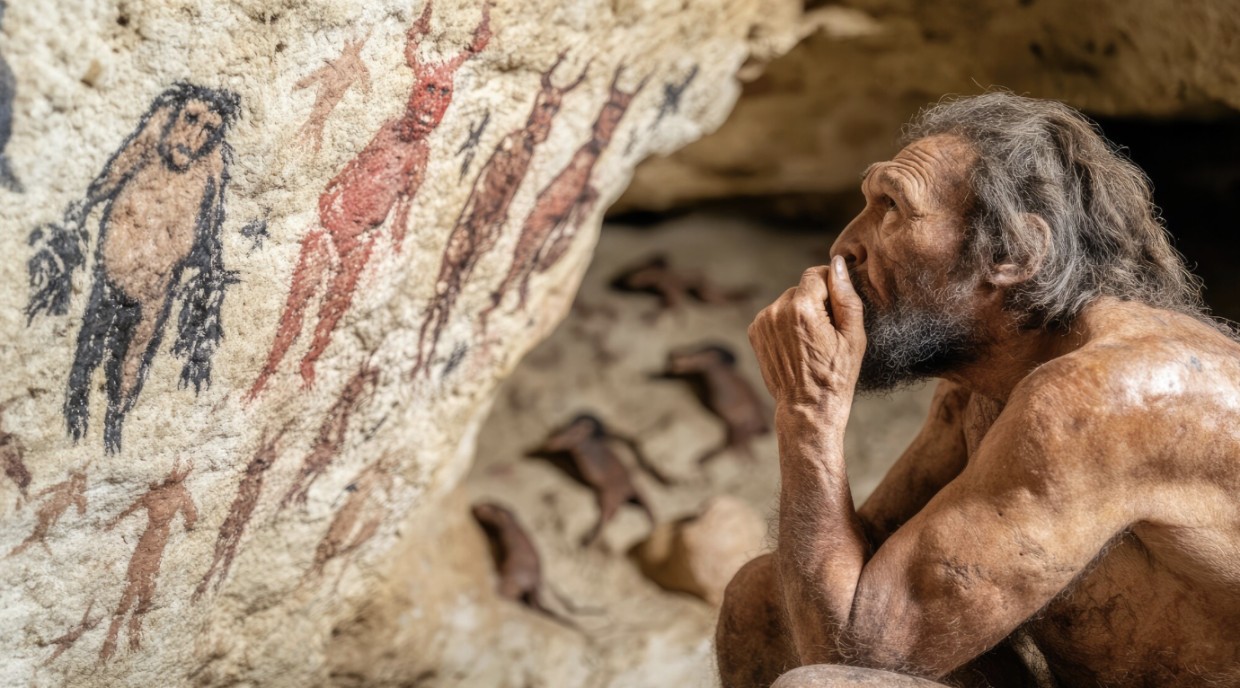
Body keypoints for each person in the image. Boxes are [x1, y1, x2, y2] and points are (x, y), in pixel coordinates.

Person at [717, 92, 1240, 688]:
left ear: (1012, 253)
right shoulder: (985, 388)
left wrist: (808, 413)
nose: (844, 246)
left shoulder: (1103, 397)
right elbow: (860, 586)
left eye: (892, 207)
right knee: (761, 601)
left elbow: (856, 653)